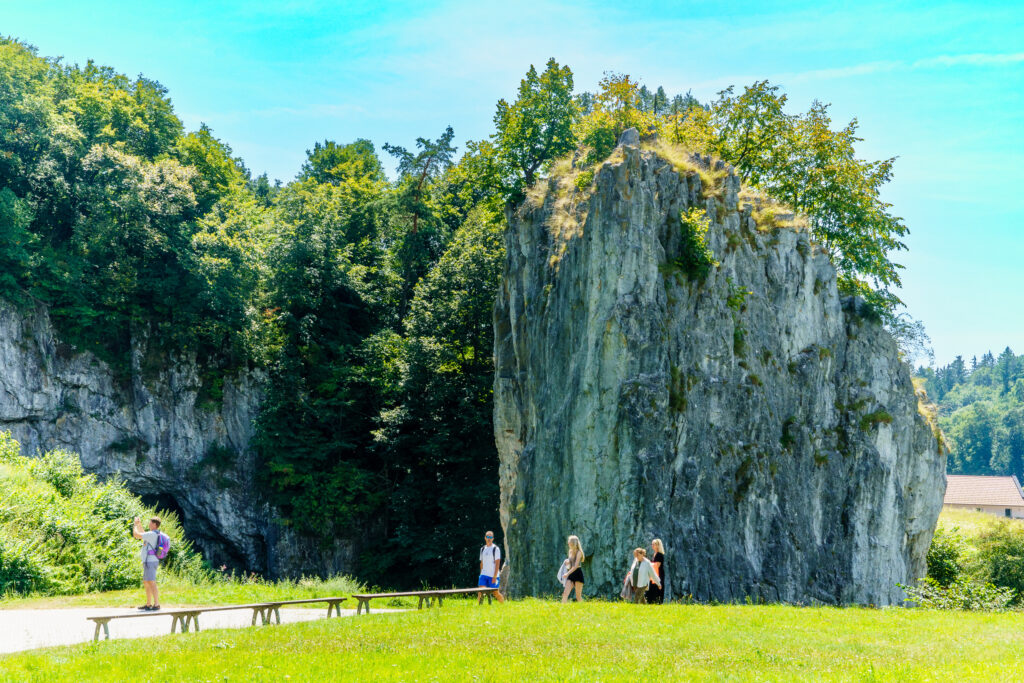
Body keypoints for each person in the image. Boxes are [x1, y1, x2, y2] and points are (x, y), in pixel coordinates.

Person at [132, 516, 162, 611]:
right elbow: (143, 533)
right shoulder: (152, 534)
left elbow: (136, 535)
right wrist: (139, 524)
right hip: (149, 561)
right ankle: (148, 604)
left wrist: (135, 525)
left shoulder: (152, 534)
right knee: (146, 582)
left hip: (150, 561)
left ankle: (156, 604)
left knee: (151, 582)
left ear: (154, 524)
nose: (149, 524)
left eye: (150, 522)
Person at [478, 531, 505, 603]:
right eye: (487, 537)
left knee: (495, 593)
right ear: (485, 538)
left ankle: (503, 605)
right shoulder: (482, 549)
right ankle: (479, 608)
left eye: (490, 537)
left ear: (493, 539)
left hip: (493, 575)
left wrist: (495, 576)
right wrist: (481, 574)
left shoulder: (496, 549)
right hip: (484, 574)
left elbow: (497, 563)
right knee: (480, 591)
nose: (489, 538)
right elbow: (481, 563)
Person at [561, 535, 585, 603]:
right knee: (565, 593)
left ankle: (585, 609)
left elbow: (576, 566)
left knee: (578, 596)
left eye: (569, 542)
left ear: (573, 543)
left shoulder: (579, 552)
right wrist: (567, 562)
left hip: (578, 574)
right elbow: (570, 565)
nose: (568, 543)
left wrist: (567, 573)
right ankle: (562, 609)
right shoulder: (570, 551)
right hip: (571, 574)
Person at [647, 538, 666, 604]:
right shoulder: (655, 554)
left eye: (654, 544)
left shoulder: (659, 554)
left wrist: (648, 564)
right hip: (654, 574)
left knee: (657, 588)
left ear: (658, 545)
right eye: (652, 544)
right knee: (652, 588)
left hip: (658, 574)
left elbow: (657, 565)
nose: (652, 545)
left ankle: (657, 602)